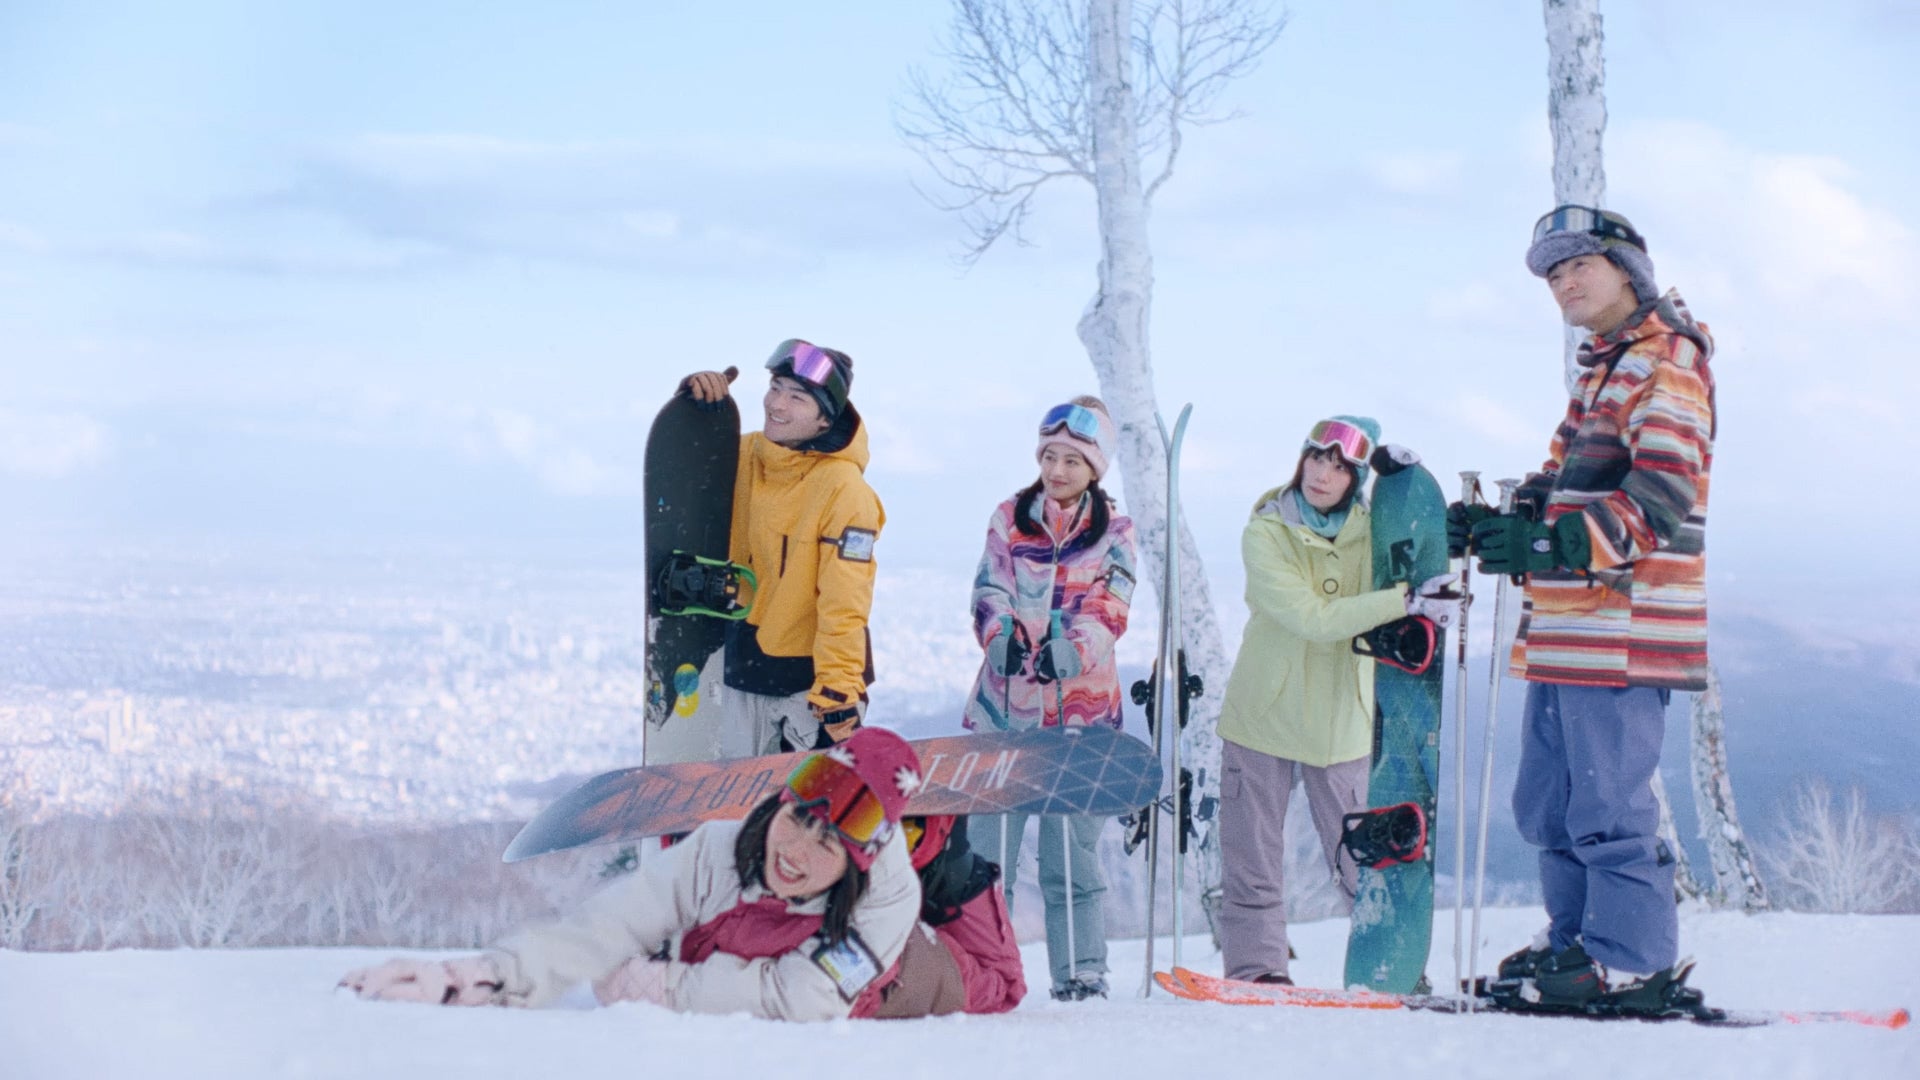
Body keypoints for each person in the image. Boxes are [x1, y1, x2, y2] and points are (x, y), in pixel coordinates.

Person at [1454, 205, 1716, 1014]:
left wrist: (1553, 548)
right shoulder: (1604, 366)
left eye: (1579, 265)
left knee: (1608, 800)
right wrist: (1508, 523)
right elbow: (1561, 480)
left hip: (1623, 625)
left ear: (1627, 269)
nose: (1564, 281)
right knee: (1551, 800)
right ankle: (1577, 939)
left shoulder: (1666, 361)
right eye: (1553, 272)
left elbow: (1664, 491)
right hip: (1569, 624)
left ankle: (1632, 957)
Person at [340, 728, 924, 1021]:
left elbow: (804, 997)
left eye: (827, 843)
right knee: (713, 939)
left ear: (859, 861)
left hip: (897, 978)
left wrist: (667, 990)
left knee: (984, 981)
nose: (794, 850)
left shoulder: (887, 900)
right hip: (759, 938)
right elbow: (614, 923)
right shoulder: (725, 848)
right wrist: (489, 977)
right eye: (795, 819)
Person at [1214, 416, 1460, 986]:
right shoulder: (1266, 532)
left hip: (1342, 721)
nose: (1322, 473)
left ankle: (1393, 969)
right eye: (1314, 458)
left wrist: (1416, 501)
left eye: (1338, 465)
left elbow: (1413, 550)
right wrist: (1405, 600)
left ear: (1355, 478)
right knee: (1253, 862)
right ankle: (1258, 972)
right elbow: (1311, 618)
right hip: (1263, 717)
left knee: (1363, 860)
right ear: (1300, 461)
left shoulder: (1372, 532)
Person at [961, 396, 1136, 1002]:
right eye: (1049, 456)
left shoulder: (1115, 532)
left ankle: (1081, 974)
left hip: (1080, 717)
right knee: (990, 858)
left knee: (1071, 857)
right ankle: (986, 968)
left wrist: (1075, 650)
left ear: (1096, 469)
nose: (1057, 471)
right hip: (1004, 711)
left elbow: (1110, 607)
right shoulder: (1010, 517)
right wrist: (998, 633)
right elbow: (990, 586)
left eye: (1072, 460)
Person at [682, 340, 884, 754]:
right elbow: (684, 459)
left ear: (825, 420)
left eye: (797, 397)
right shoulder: (745, 455)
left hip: (808, 684)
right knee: (739, 815)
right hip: (741, 666)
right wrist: (698, 404)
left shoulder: (845, 492)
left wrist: (839, 692)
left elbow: (845, 601)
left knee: (799, 816)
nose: (778, 404)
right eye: (776, 387)